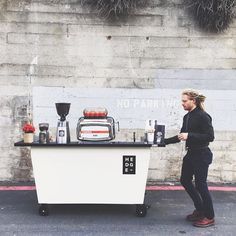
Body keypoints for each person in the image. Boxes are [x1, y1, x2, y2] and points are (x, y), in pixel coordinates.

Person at [164, 89, 215, 227]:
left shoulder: (203, 116)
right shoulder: (187, 117)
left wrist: (190, 135)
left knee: (201, 184)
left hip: (202, 154)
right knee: (185, 180)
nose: (182, 103)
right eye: (182, 101)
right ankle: (200, 209)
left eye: (185, 101)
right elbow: (181, 136)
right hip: (191, 154)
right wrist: (162, 141)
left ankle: (209, 216)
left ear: (193, 101)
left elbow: (210, 137)